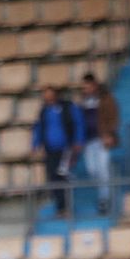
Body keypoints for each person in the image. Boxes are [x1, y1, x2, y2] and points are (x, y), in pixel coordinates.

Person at [31, 86, 84, 214]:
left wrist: (79, 140)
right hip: (50, 150)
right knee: (52, 177)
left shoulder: (68, 107)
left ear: (56, 95)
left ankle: (67, 207)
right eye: (46, 96)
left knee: (63, 175)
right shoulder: (44, 111)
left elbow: (78, 123)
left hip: (66, 149)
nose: (48, 98)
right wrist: (35, 144)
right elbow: (39, 127)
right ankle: (60, 207)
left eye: (50, 95)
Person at [78, 73, 120, 214]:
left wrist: (110, 133)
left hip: (102, 138)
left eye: (87, 86)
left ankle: (104, 198)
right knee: (92, 170)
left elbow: (114, 117)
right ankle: (105, 187)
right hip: (88, 140)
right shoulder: (83, 101)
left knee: (102, 169)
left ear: (94, 85)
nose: (85, 89)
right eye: (84, 87)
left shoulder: (106, 98)